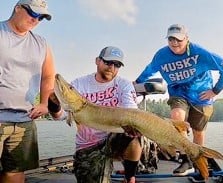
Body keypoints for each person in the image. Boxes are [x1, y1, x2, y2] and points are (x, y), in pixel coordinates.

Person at [135, 24, 223, 177]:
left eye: (178, 39)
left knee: (198, 131)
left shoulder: (200, 53)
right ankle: (185, 159)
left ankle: (196, 159)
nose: (174, 43)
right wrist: (136, 83)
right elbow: (149, 70)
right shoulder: (162, 55)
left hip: (201, 94)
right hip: (178, 92)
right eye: (171, 39)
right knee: (177, 118)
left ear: (186, 38)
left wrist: (215, 90)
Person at [48, 46, 142, 183]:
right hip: (88, 146)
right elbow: (58, 116)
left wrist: (134, 125)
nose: (112, 67)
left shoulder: (124, 84)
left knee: (135, 134)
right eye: (108, 62)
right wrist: (53, 102)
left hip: (114, 139)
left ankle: (130, 177)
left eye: (117, 65)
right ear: (97, 61)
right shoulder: (79, 84)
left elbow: (132, 113)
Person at [0, 0, 55, 183]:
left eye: (41, 17)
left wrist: (45, 103)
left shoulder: (41, 44)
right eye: (33, 13)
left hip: (24, 119)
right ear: (17, 8)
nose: (36, 20)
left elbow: (48, 76)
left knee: (15, 172)